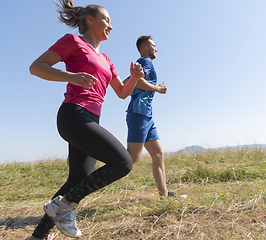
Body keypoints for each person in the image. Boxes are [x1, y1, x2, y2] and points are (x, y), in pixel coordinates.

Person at [26, 1, 144, 239]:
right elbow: (36, 67)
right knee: (123, 162)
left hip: (91, 118)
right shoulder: (73, 42)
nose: (111, 25)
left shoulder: (107, 59)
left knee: (78, 178)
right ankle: (65, 205)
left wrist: (133, 78)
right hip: (73, 114)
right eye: (107, 19)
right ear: (90, 20)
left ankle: (38, 235)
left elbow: (122, 92)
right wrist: (71, 76)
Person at [125, 36, 187, 199]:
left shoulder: (143, 63)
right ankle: (92, 156)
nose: (156, 49)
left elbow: (129, 82)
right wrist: (157, 89)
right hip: (139, 114)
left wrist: (150, 87)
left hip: (146, 116)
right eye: (154, 45)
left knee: (158, 154)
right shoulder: (146, 61)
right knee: (130, 159)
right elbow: (136, 81)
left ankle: (164, 195)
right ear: (145, 46)